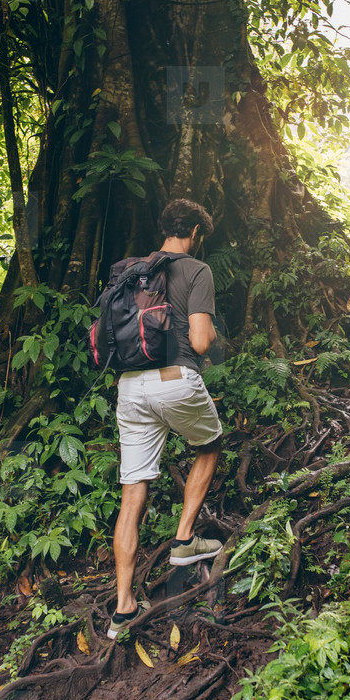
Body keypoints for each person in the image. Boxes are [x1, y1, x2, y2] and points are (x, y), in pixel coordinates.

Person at [107, 199, 224, 639]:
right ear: (194, 231)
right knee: (209, 445)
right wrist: (209, 335)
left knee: (132, 492)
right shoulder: (196, 271)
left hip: (130, 386)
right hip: (174, 377)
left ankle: (123, 610)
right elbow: (198, 341)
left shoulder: (133, 269)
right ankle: (184, 539)